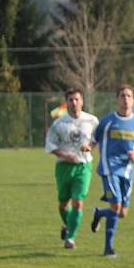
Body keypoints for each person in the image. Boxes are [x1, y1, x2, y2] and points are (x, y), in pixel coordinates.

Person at [90, 85, 134, 258]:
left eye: (129, 96)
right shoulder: (107, 121)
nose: (125, 99)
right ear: (117, 99)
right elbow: (94, 139)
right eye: (122, 96)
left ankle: (99, 213)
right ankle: (108, 248)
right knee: (115, 206)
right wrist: (88, 147)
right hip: (109, 169)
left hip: (128, 171)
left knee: (122, 212)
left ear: (133, 99)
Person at [44, 88, 100, 249]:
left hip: (83, 166)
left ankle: (71, 238)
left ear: (82, 101)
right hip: (63, 167)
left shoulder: (92, 121)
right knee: (63, 204)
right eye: (70, 100)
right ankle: (67, 224)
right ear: (66, 102)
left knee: (78, 202)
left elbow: (97, 138)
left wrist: (90, 146)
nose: (74, 102)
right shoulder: (59, 123)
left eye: (77, 99)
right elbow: (50, 145)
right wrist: (65, 155)